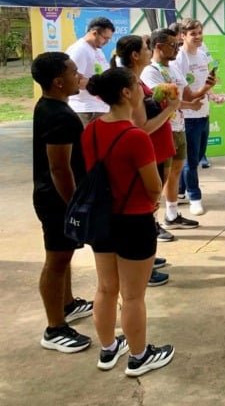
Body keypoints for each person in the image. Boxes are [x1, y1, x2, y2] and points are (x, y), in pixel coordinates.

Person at [83, 67, 175, 376]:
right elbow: (153, 186)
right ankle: (138, 356)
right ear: (126, 93)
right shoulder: (136, 137)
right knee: (133, 295)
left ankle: (108, 348)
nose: (142, 90)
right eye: (137, 85)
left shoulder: (90, 130)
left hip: (101, 219)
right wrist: (154, 201)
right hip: (134, 220)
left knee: (105, 288)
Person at [113, 35, 189, 286]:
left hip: (156, 150)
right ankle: (141, 267)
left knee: (149, 209)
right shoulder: (131, 83)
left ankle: (147, 259)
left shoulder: (137, 80)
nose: (150, 51)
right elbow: (142, 127)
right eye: (146, 48)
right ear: (135, 55)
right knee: (144, 210)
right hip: (148, 152)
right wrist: (170, 108)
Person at [31, 52, 93, 353]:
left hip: (55, 197)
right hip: (56, 200)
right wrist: (74, 205)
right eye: (73, 72)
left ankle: (67, 304)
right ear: (58, 81)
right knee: (56, 261)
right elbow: (59, 168)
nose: (78, 75)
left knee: (65, 255)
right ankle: (54, 328)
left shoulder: (51, 106)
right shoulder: (59, 116)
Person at [140, 28, 202, 236]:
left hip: (178, 126)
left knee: (175, 171)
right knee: (160, 178)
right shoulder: (150, 72)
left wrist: (201, 94)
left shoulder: (173, 68)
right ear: (159, 47)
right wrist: (185, 104)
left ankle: (172, 215)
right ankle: (152, 222)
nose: (177, 49)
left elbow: (184, 96)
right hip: (162, 129)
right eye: (173, 45)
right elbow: (161, 101)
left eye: (178, 45)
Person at [174, 19, 217, 216]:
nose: (198, 37)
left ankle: (180, 190)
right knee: (191, 161)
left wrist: (212, 94)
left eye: (200, 32)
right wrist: (203, 91)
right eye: (193, 34)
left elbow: (207, 81)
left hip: (204, 112)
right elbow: (184, 92)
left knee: (198, 156)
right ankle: (195, 197)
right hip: (189, 116)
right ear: (183, 36)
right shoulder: (180, 58)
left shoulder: (202, 53)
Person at [66, 16, 115, 125]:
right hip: (86, 110)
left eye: (109, 39)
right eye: (105, 38)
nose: (107, 42)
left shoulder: (97, 49)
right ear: (94, 33)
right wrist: (97, 87)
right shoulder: (79, 50)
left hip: (99, 107)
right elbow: (73, 80)